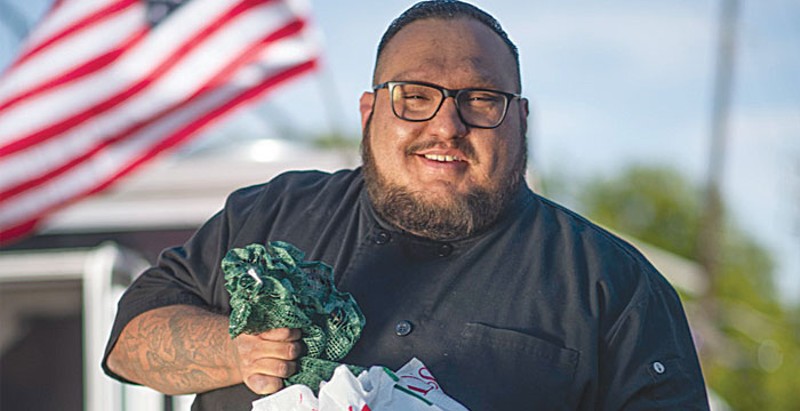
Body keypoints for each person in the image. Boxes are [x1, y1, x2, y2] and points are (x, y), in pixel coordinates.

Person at [103, 1, 710, 409]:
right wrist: (237, 349)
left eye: (481, 99)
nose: (446, 125)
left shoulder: (616, 285)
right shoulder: (272, 212)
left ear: (520, 120)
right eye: (414, 96)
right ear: (370, 113)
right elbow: (130, 342)